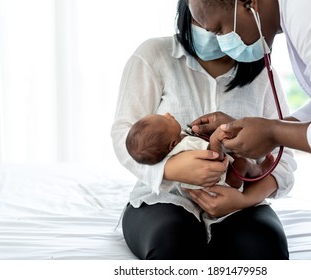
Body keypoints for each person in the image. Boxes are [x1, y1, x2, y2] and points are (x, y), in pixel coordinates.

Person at [187, 0, 311, 258]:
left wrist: (272, 133)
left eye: (220, 30)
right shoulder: (299, 12)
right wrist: (264, 130)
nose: (224, 43)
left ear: (248, 3)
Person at [111, 0, 296, 260]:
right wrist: (172, 169)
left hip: (238, 201)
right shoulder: (154, 55)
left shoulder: (263, 75)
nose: (211, 30)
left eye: (220, 26)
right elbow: (124, 136)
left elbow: (283, 160)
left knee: (265, 247)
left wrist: (244, 200)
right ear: (188, 13)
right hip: (165, 198)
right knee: (173, 243)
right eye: (203, 23)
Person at [125, 112, 272, 189]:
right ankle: (260, 170)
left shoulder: (173, 147)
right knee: (243, 163)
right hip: (224, 181)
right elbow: (214, 160)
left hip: (207, 185)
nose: (168, 114)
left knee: (235, 155)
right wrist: (214, 140)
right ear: (173, 144)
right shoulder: (187, 145)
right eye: (167, 120)